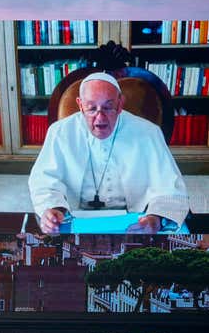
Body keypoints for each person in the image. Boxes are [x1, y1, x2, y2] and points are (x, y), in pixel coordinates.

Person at [28, 72, 189, 234]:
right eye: (91, 108)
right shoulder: (60, 132)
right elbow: (43, 181)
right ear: (80, 105)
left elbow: (170, 186)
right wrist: (53, 209)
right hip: (74, 219)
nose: (100, 117)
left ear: (120, 104)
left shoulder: (148, 133)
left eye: (107, 107)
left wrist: (156, 219)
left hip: (134, 221)